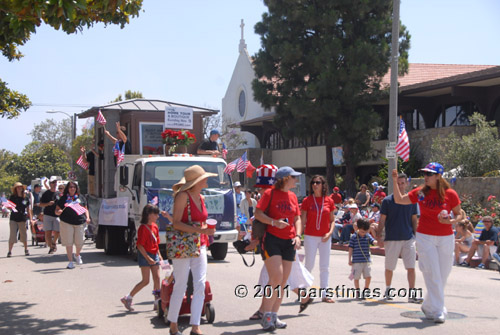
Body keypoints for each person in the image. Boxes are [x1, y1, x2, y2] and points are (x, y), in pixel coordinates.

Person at [392, 163, 462, 323]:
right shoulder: (421, 193)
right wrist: (395, 181)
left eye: (430, 174)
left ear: (438, 176)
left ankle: (429, 304)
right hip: (425, 236)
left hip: (445, 237)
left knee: (443, 274)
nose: (426, 176)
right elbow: (399, 199)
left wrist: (450, 221)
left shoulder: (450, 194)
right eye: (425, 173)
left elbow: (460, 215)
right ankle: (438, 310)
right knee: (433, 272)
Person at [167, 165, 216, 335]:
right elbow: (176, 223)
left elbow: (199, 221)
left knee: (200, 284)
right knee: (180, 284)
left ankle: (195, 326)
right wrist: (201, 230)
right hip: (183, 244)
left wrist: (206, 229)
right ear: (197, 181)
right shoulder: (182, 196)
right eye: (204, 178)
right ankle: (173, 323)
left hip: (200, 243)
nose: (207, 180)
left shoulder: (201, 197)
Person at [255, 166, 302, 331]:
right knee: (276, 277)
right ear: (285, 179)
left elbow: (297, 218)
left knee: (282, 282)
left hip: (289, 240)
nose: (296, 180)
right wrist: (274, 222)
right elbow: (258, 213)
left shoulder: (293, 196)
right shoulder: (270, 193)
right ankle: (266, 314)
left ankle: (274, 315)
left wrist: (298, 236)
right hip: (272, 239)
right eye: (294, 177)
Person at [376, 173, 420, 303]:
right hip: (392, 238)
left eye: (402, 183)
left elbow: (414, 219)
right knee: (389, 267)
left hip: (408, 238)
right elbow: (382, 219)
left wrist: (417, 237)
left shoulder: (412, 200)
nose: (400, 186)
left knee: (411, 267)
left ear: (407, 184)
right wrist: (379, 235)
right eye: (398, 183)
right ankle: (388, 290)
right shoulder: (387, 201)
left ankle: (412, 294)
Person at [300, 175, 336, 303]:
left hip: (325, 237)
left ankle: (325, 293)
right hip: (310, 236)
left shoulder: (329, 201)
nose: (315, 185)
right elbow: (302, 219)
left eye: (318, 182)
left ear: (323, 185)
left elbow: (332, 221)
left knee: (325, 266)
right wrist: (299, 235)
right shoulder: (307, 200)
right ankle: (304, 292)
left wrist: (330, 233)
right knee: (309, 264)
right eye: (313, 183)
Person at [121, 204, 162, 312]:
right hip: (145, 255)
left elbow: (156, 243)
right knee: (145, 280)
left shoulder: (155, 227)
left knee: (157, 278)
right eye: (155, 214)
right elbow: (139, 245)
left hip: (154, 255)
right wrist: (148, 258)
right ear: (149, 215)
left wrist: (160, 256)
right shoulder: (143, 228)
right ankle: (128, 298)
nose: (157, 216)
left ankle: (157, 302)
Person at [55, 181, 90, 269]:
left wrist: (88, 217)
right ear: (68, 188)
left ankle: (77, 255)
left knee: (80, 242)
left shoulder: (80, 197)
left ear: (76, 188)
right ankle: (70, 261)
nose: (72, 188)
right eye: (70, 187)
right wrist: (58, 212)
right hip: (67, 222)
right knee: (69, 242)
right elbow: (57, 210)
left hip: (80, 221)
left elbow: (85, 209)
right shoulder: (63, 198)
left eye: (74, 187)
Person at [348, 219, 376, 300]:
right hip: (356, 261)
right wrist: (349, 259)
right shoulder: (354, 237)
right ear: (358, 228)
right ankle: (357, 291)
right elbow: (350, 248)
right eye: (362, 231)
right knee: (356, 277)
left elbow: (373, 241)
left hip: (366, 261)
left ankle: (366, 290)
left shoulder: (367, 235)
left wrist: (378, 242)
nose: (363, 233)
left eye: (365, 231)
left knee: (368, 276)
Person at [7, 182, 32, 257]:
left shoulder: (25, 198)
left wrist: (31, 219)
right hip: (14, 217)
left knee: (23, 234)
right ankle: (9, 251)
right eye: (17, 187)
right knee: (12, 234)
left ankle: (26, 249)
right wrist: (10, 207)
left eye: (20, 187)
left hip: (22, 217)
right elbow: (8, 206)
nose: (19, 188)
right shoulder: (12, 197)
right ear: (15, 189)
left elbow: (28, 209)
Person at [39, 177, 61, 254]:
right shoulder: (46, 193)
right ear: (50, 184)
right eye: (52, 182)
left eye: (55, 182)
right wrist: (48, 204)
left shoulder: (58, 194)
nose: (54, 184)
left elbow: (62, 204)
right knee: (48, 232)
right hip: (47, 214)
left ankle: (54, 242)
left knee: (57, 231)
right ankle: (51, 247)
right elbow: (41, 204)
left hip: (56, 215)